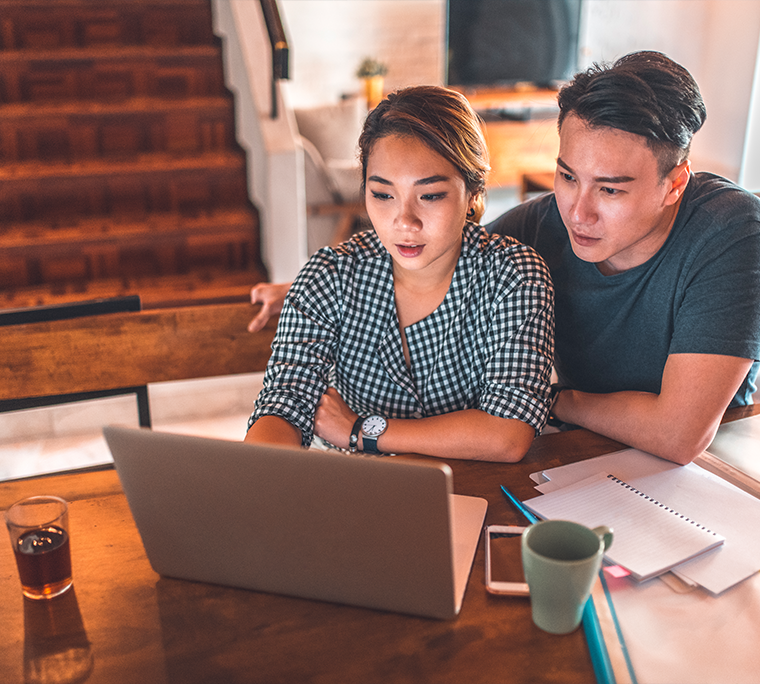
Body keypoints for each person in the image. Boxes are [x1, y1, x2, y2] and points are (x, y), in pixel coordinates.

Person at [249, 52, 760, 466]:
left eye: (609, 189)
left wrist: (537, 400)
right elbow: (434, 257)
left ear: (674, 184)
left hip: (713, 461)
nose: (577, 212)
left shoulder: (732, 231)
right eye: (566, 176)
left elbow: (678, 434)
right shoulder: (539, 226)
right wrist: (302, 290)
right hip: (585, 450)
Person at [245, 85, 555, 461]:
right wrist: (256, 478)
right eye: (382, 194)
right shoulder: (328, 277)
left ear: (473, 191)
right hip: (363, 494)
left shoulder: (513, 276)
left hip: (479, 491)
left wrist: (362, 430)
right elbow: (285, 403)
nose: (404, 222)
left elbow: (507, 434)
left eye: (430, 195)